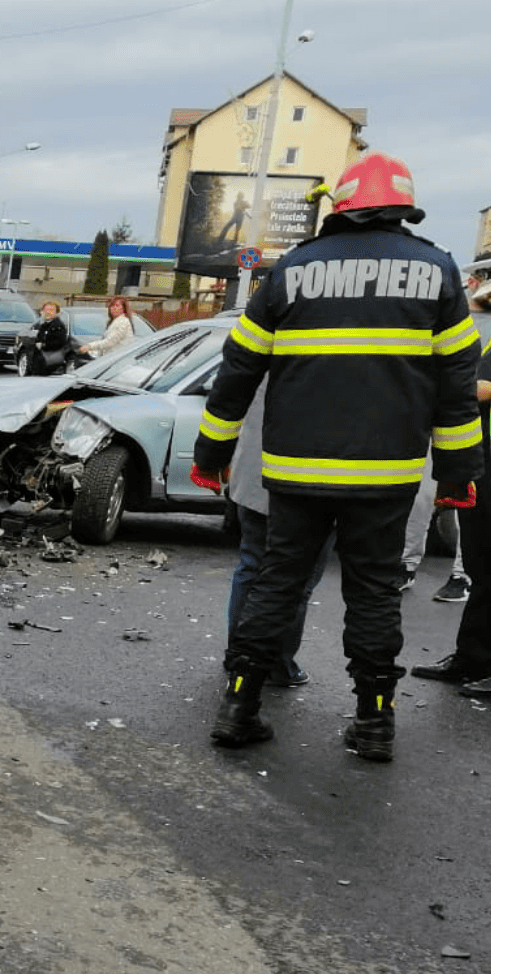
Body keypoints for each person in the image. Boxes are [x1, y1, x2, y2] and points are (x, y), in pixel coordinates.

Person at [191, 152, 483, 761]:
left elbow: (238, 370)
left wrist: (210, 452)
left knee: (277, 581)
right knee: (375, 593)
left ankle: (239, 706)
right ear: (404, 206)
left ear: (340, 204)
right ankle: (374, 722)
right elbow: (457, 386)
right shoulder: (438, 271)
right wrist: (459, 475)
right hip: (386, 476)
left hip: (295, 470)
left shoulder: (294, 269)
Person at [412, 277, 491, 697]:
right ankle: (472, 658)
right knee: (483, 571)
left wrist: (461, 387)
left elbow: (480, 388)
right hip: (484, 468)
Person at [226, 380, 332, 688]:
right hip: (309, 479)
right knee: (299, 578)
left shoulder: (266, 333)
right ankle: (276, 663)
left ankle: (239, 657)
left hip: (255, 471)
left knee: (251, 567)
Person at [24, 300, 71, 375]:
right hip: (41, 361)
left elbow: (60, 342)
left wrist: (44, 345)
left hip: (51, 364)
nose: (48, 312)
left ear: (57, 312)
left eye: (51, 310)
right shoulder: (44, 325)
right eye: (46, 310)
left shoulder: (58, 326)